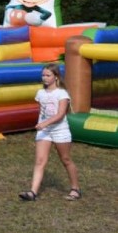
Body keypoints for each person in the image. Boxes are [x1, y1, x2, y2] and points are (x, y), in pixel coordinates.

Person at [19, 63, 81, 202]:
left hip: (60, 130)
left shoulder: (62, 93)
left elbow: (60, 114)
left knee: (65, 160)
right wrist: (42, 124)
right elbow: (43, 112)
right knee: (40, 161)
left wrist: (44, 124)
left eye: (48, 75)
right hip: (44, 131)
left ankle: (75, 188)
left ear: (56, 77)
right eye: (43, 75)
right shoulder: (40, 93)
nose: (45, 78)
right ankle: (32, 192)